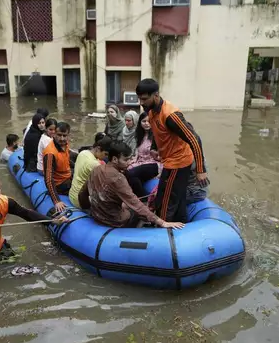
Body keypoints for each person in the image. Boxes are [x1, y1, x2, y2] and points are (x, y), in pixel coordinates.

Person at [135, 78, 209, 223]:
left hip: (178, 162)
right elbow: (158, 131)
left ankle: (163, 231)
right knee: (175, 196)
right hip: (169, 161)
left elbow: (194, 139)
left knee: (165, 201)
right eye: (139, 99)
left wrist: (201, 169)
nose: (141, 103)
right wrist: (154, 148)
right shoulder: (151, 111)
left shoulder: (171, 116)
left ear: (156, 95)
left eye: (144, 99)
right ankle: (182, 222)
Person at [78, 142, 184, 229]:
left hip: (97, 214)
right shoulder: (118, 178)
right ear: (115, 159)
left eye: (130, 158)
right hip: (113, 220)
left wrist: (86, 208)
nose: (129, 162)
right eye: (126, 160)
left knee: (127, 205)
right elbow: (135, 203)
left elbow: (82, 193)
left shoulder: (96, 169)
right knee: (139, 209)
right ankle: (140, 231)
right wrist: (162, 222)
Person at [125, 111, 162, 197]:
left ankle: (140, 198)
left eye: (149, 121)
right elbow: (138, 153)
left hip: (154, 164)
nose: (147, 124)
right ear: (140, 122)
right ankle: (142, 198)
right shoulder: (139, 136)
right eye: (144, 121)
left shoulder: (157, 136)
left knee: (130, 173)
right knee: (132, 178)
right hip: (141, 163)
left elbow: (164, 155)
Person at [69, 136, 112, 208]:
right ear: (98, 149)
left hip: (72, 194)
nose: (105, 157)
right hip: (80, 201)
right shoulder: (95, 164)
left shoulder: (83, 152)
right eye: (105, 154)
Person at [42, 122, 75, 213]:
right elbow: (48, 179)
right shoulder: (50, 153)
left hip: (67, 176)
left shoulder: (65, 144)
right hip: (60, 184)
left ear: (68, 135)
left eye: (64, 136)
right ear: (54, 134)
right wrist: (57, 201)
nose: (62, 139)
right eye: (59, 135)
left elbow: (67, 160)